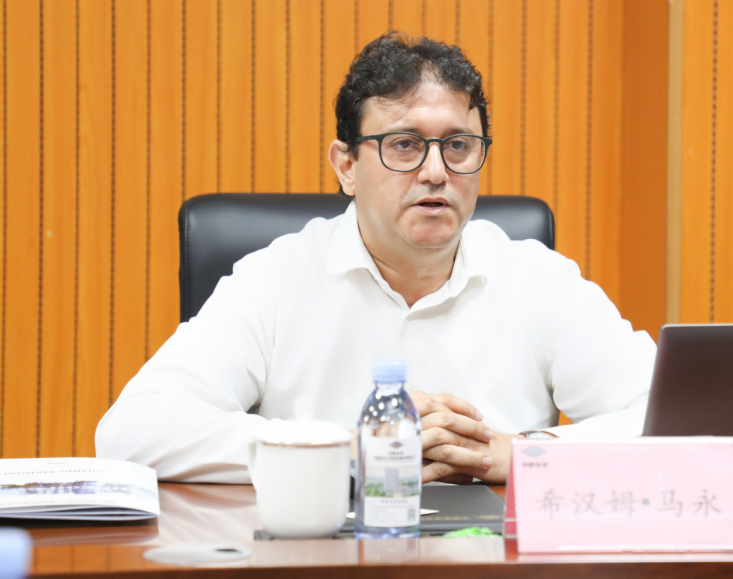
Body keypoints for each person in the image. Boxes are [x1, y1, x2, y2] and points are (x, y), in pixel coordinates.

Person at [96, 32, 655, 485]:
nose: (435, 172)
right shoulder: (276, 278)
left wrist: (522, 454)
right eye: (404, 144)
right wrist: (351, 450)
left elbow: (674, 420)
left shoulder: (538, 280)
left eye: (458, 145)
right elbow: (135, 430)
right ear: (346, 166)